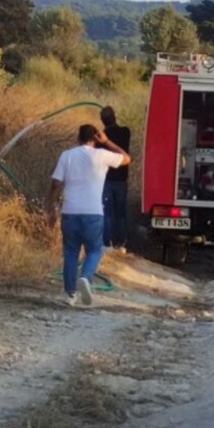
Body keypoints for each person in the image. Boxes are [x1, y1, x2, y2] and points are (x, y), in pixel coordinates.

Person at [47, 124, 131, 306]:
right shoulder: (102, 155)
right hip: (93, 213)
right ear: (95, 138)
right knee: (94, 249)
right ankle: (85, 277)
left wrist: (52, 208)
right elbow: (126, 158)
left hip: (70, 212)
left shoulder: (67, 156)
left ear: (78, 137)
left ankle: (70, 295)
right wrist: (107, 141)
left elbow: (55, 184)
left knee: (70, 253)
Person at [98, 106, 131, 252]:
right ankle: (121, 243)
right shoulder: (125, 132)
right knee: (120, 213)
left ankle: (106, 243)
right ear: (114, 116)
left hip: (106, 179)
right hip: (121, 179)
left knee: (107, 213)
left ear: (103, 121)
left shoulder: (103, 136)